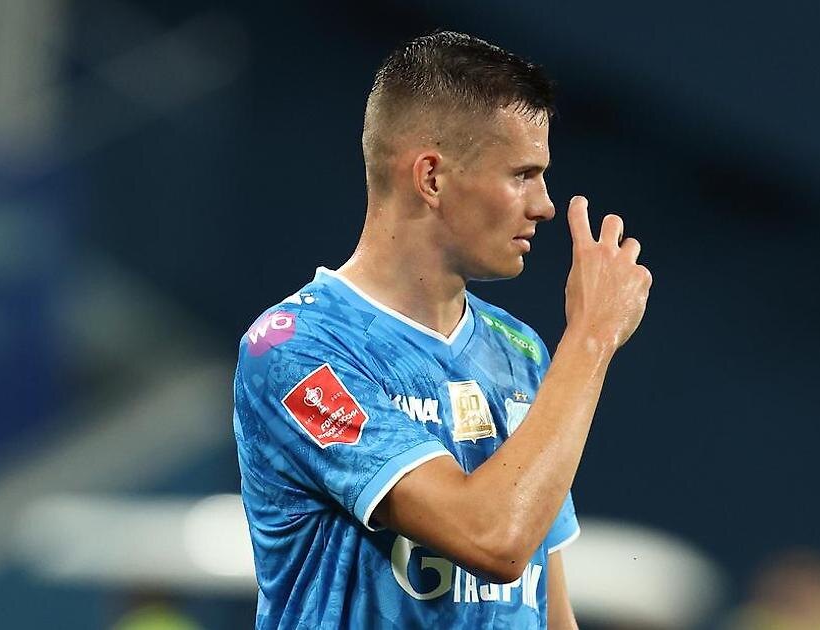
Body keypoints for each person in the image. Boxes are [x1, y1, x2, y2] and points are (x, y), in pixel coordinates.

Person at [232, 31, 651, 629]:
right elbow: (492, 539)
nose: (544, 205)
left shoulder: (520, 351)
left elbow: (545, 606)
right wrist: (591, 339)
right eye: (522, 174)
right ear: (431, 177)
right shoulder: (296, 349)